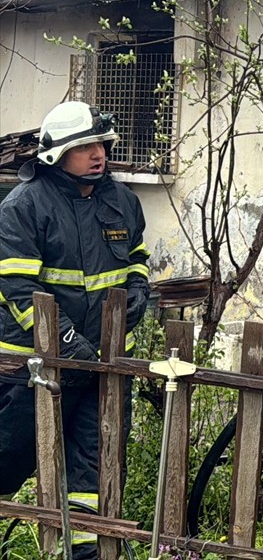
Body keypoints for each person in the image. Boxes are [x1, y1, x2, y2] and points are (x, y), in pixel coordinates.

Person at [0, 101, 152, 555]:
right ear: (55, 154)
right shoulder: (24, 207)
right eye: (84, 146)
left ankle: (84, 552)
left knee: (93, 469)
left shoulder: (121, 200)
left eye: (100, 144)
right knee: (9, 460)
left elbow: (139, 261)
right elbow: (20, 289)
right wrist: (68, 346)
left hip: (102, 367)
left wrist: (140, 291)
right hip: (31, 368)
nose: (98, 154)